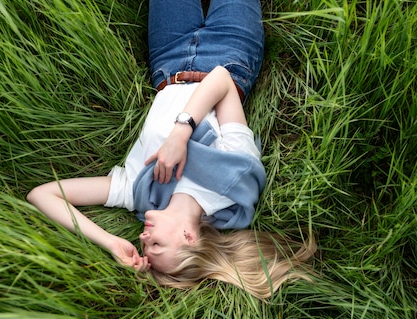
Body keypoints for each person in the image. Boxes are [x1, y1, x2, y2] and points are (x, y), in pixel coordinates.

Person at [27, 0, 316, 298]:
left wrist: (111, 242)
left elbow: (42, 194)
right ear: (188, 237)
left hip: (169, 57)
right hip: (231, 52)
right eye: (155, 244)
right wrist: (181, 132)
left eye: (143, 244)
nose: (143, 236)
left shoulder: (138, 191)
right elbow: (221, 80)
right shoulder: (232, 185)